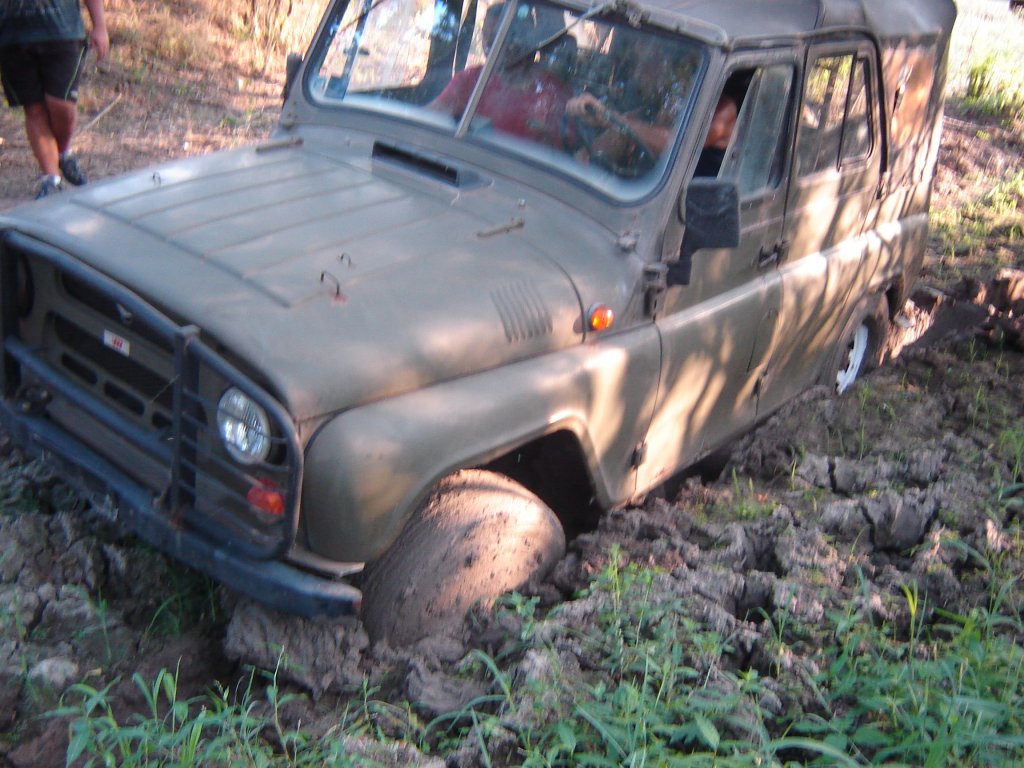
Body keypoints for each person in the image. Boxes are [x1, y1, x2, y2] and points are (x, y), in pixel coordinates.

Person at [0, 0, 109, 199]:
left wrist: (100, 27)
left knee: (61, 104)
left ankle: (62, 153)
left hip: (62, 32)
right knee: (33, 109)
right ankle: (51, 179)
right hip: (11, 37)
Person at [429, 2, 572, 149]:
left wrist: (549, 139)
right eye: (485, 36)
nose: (487, 44)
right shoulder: (471, 80)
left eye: (496, 38)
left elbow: (571, 155)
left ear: (521, 41)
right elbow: (428, 120)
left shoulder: (554, 95)